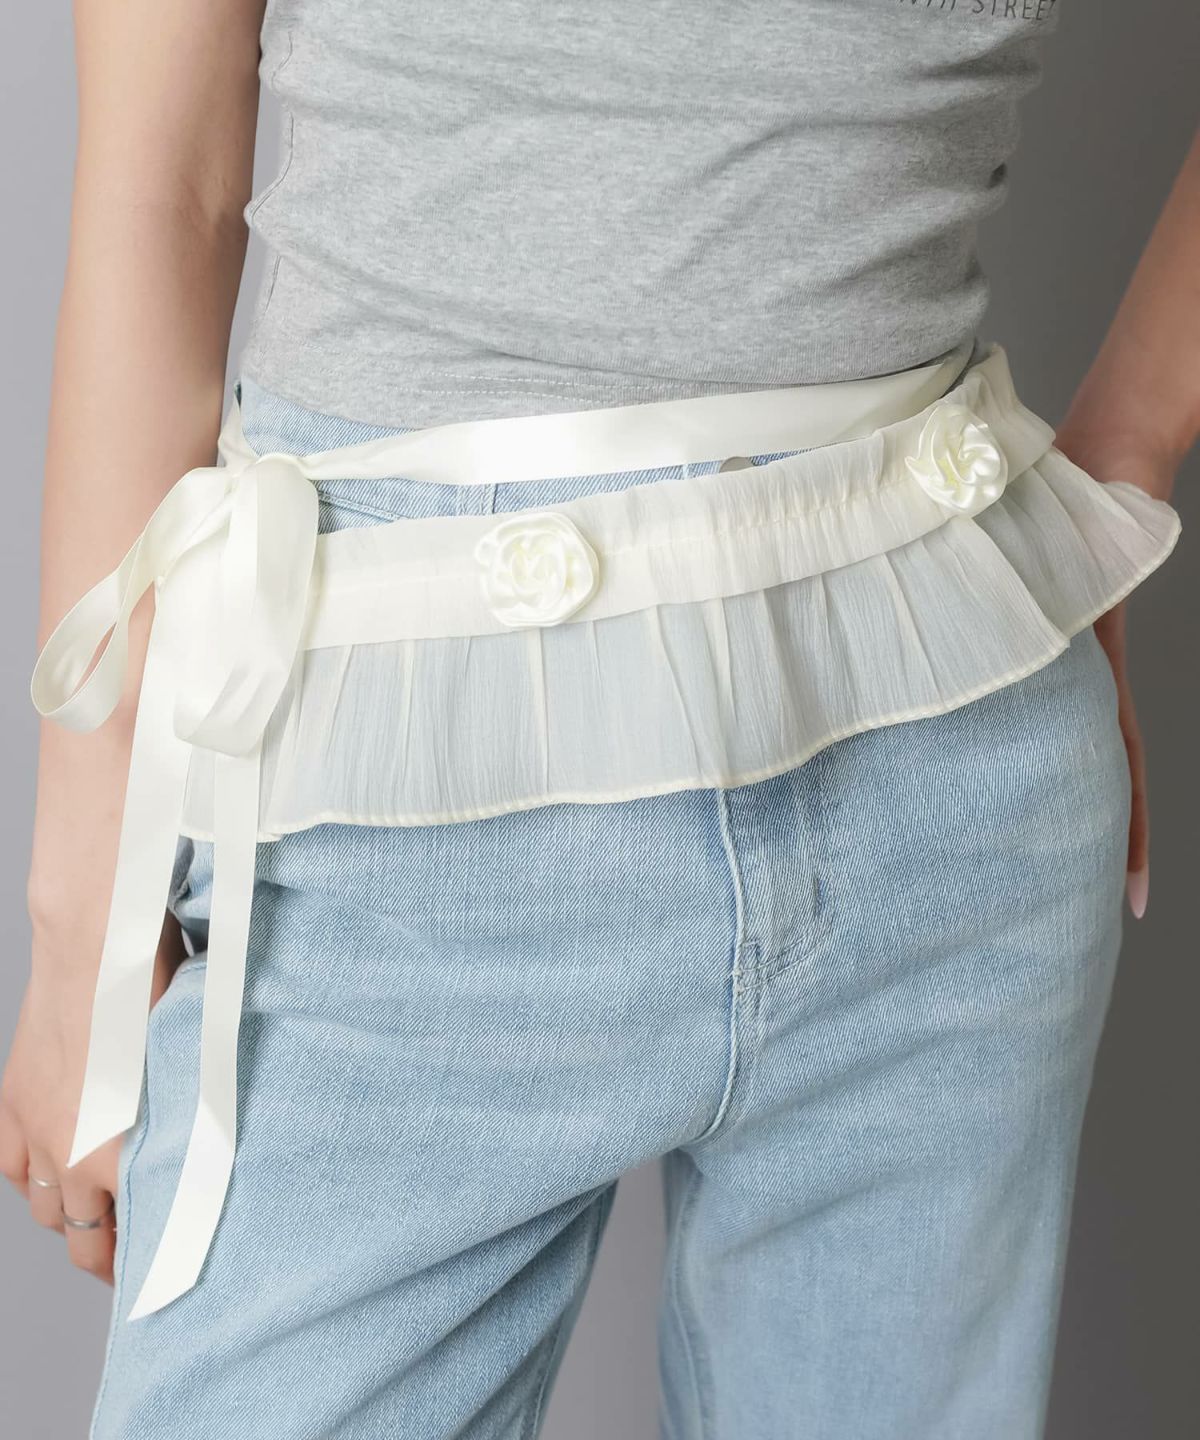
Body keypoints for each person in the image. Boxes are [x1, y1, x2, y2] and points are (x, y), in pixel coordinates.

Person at [1, 2, 1193, 1436]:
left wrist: (1125, 457)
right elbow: (165, 184)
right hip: (392, 763)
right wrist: (84, 921)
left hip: (944, 758)